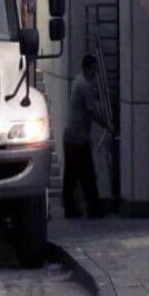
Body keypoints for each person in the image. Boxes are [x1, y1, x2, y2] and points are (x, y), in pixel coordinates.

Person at [62, 54, 111, 219]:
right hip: (78, 139)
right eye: (95, 69)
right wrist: (107, 125)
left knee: (72, 174)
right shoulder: (84, 86)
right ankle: (94, 208)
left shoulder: (78, 81)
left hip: (71, 136)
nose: (96, 72)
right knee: (88, 175)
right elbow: (93, 112)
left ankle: (70, 207)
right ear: (88, 67)